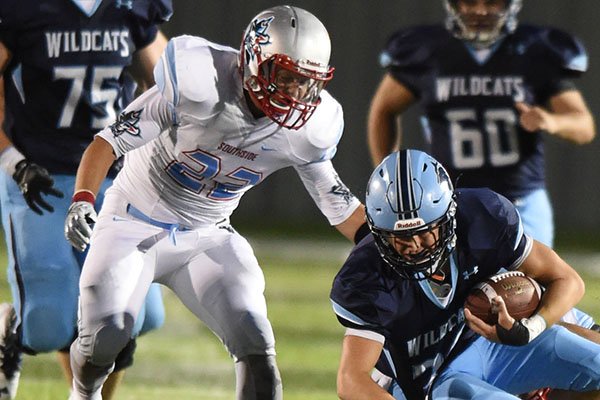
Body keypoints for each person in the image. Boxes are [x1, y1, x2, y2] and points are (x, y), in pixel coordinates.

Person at [63, 5, 366, 400]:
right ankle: (83, 394)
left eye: (305, 83)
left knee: (258, 350)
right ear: (255, 61)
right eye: (286, 77)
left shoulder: (307, 130)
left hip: (208, 235)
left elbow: (337, 203)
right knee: (106, 336)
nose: (295, 93)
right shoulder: (201, 82)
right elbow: (108, 141)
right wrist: (83, 198)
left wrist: (387, 247)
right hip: (131, 221)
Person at [0, 0, 173, 398]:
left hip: (113, 175)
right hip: (41, 176)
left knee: (135, 314)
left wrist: (148, 145)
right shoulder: (23, 10)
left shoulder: (130, 8)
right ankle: (12, 333)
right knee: (47, 325)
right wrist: (13, 161)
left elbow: (169, 83)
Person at [330, 148, 600, 400]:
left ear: (448, 217)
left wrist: (530, 328)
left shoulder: (483, 217)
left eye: (423, 233)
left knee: (593, 356)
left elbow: (567, 280)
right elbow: (351, 379)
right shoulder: (365, 276)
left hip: (494, 345)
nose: (412, 246)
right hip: (433, 380)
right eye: (399, 238)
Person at [367, 0, 595, 249]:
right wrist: (390, 177)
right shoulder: (427, 50)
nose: (480, 10)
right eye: (469, 2)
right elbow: (383, 110)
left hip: (522, 200)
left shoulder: (533, 50)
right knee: (446, 285)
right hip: (448, 201)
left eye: (492, 2)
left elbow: (583, 126)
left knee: (533, 284)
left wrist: (552, 121)